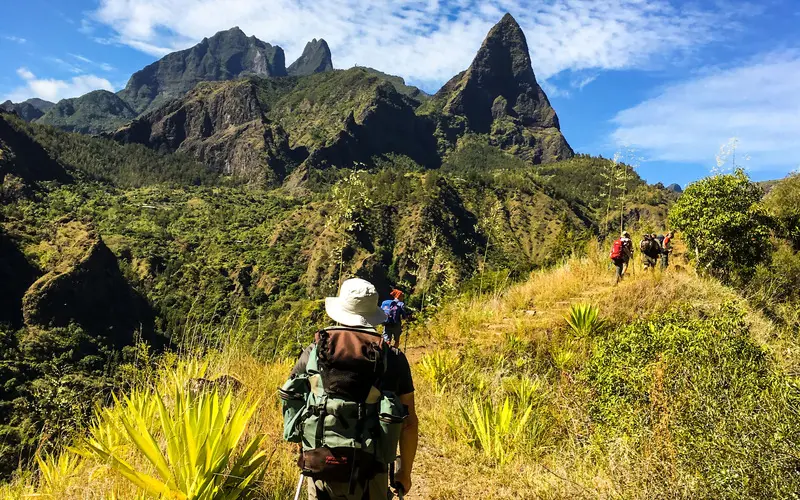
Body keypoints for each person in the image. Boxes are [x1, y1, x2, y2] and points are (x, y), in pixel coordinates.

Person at [282, 278, 418, 500]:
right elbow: (409, 423)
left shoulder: (314, 351)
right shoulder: (393, 358)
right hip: (371, 468)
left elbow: (295, 399)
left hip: (320, 466)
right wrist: (405, 473)